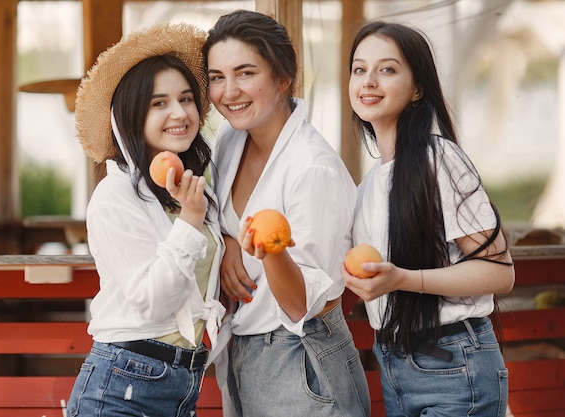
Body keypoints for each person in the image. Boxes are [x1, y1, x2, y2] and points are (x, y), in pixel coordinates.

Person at [343, 20, 515, 417]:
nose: (368, 81)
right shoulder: (368, 186)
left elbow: (500, 272)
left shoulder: (439, 160)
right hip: (395, 363)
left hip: (455, 363)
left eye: (386, 69)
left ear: (418, 88)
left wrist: (403, 279)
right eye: (359, 69)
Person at [204, 10, 371, 417]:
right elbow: (213, 210)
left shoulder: (313, 168)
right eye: (216, 77)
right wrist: (227, 243)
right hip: (244, 349)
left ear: (283, 77)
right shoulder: (229, 140)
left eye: (245, 73)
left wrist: (267, 250)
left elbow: (303, 305)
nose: (229, 92)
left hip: (302, 357)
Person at [65, 23, 225, 417]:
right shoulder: (115, 196)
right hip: (124, 382)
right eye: (159, 103)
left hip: (181, 382)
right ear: (132, 115)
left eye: (186, 99)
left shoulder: (195, 188)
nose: (180, 112)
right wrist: (189, 221)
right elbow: (153, 302)